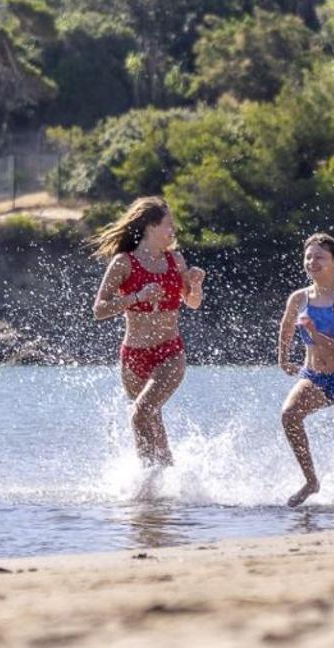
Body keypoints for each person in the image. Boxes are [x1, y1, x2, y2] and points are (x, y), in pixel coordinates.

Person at [90, 197, 206, 468]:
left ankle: (146, 484)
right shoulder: (124, 263)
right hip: (133, 356)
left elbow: (193, 302)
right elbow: (99, 310)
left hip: (169, 352)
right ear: (150, 226)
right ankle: (166, 481)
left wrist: (196, 285)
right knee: (151, 418)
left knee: (141, 414)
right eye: (169, 225)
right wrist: (136, 296)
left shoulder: (176, 260)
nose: (173, 231)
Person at [276, 233, 334, 507]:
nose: (311, 262)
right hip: (314, 378)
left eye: (319, 257)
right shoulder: (299, 298)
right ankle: (311, 481)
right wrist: (283, 357)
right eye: (308, 257)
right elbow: (285, 326)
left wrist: (316, 335)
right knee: (289, 415)